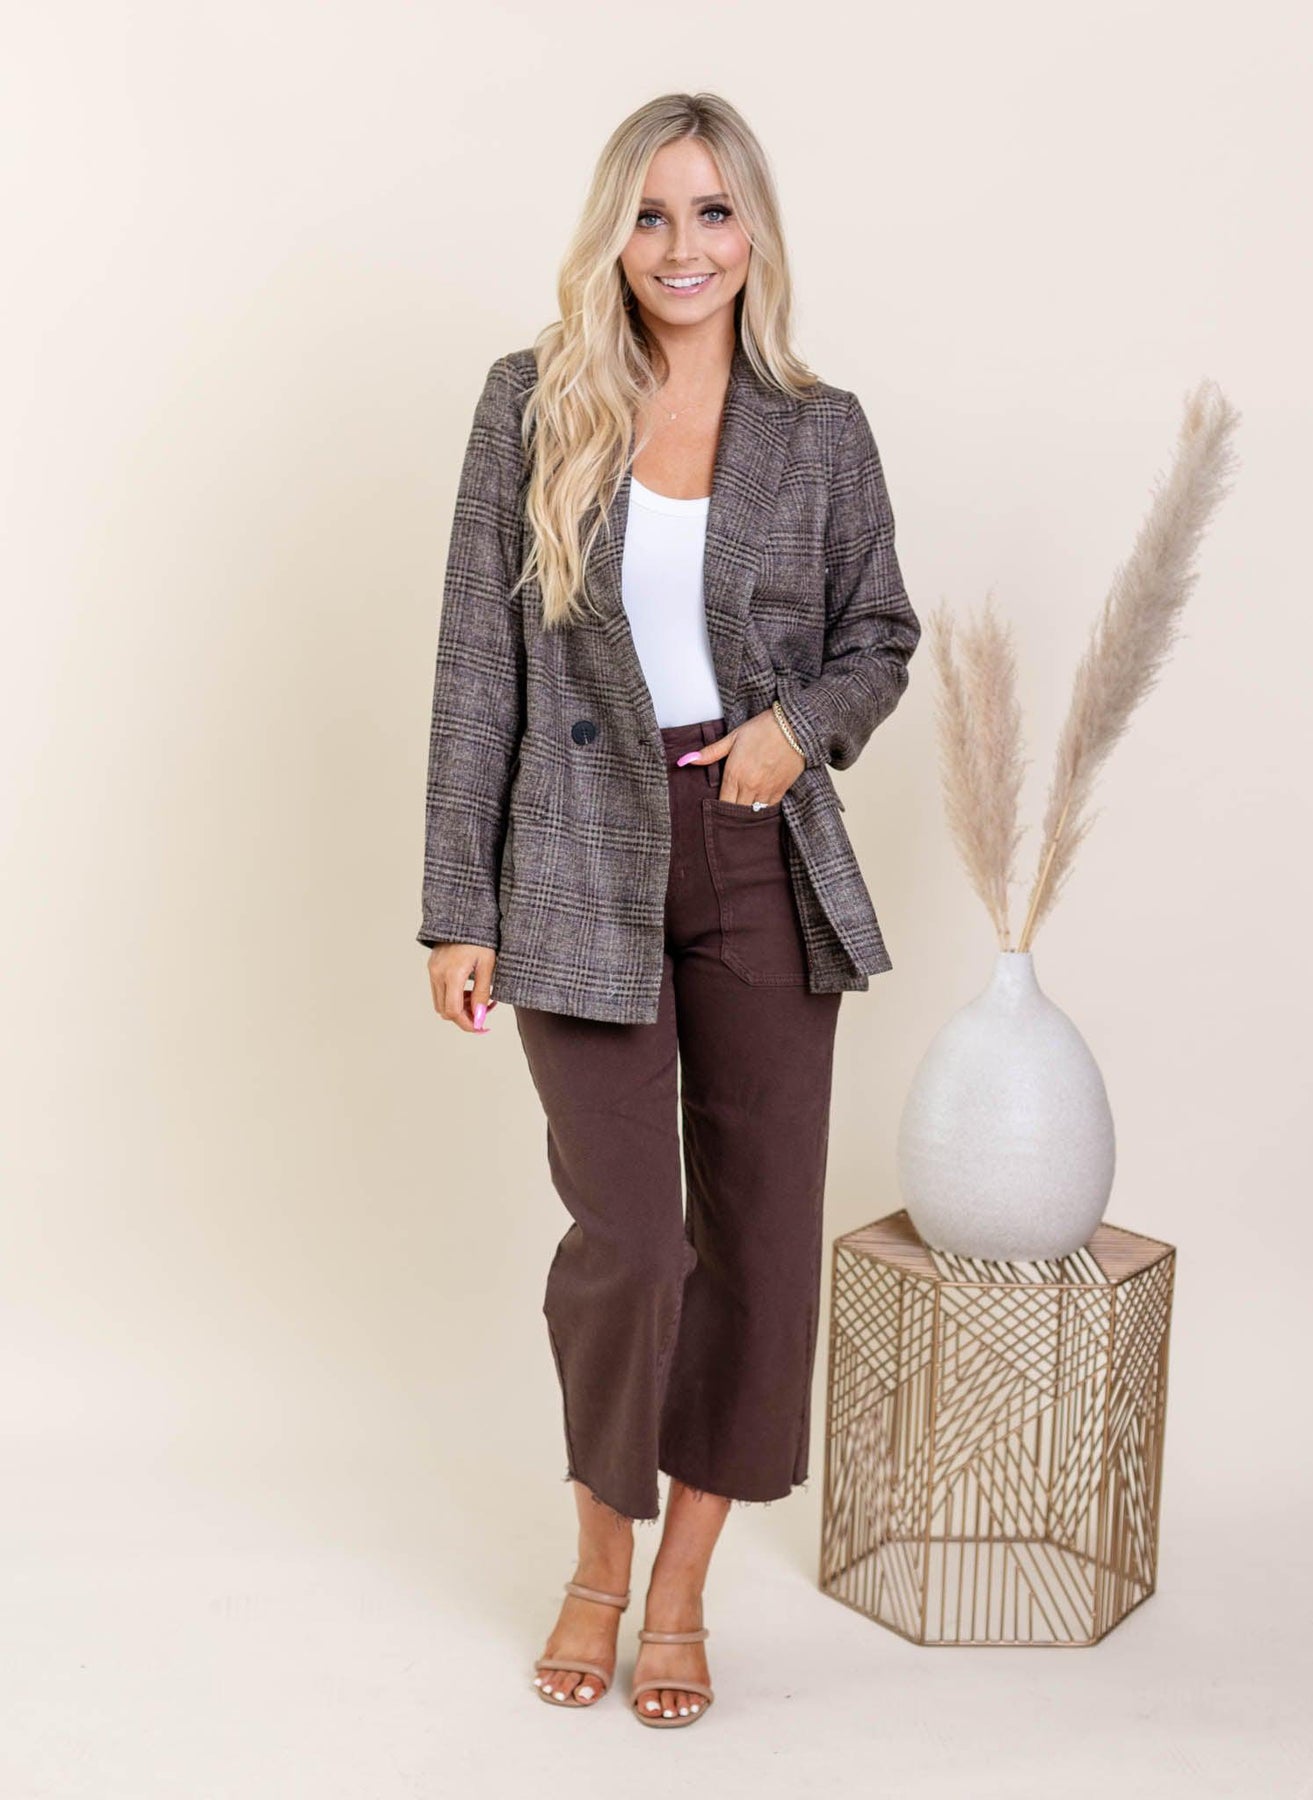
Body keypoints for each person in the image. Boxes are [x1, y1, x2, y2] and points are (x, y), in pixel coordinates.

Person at [417, 92, 921, 1728]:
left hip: (757, 844)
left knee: (758, 1241)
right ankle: (596, 1562)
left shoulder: (819, 428)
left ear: (751, 232)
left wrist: (797, 730)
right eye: (648, 214)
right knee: (632, 1242)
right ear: (610, 233)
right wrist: (456, 905)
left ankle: (685, 1587)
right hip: (576, 849)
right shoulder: (531, 401)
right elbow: (477, 661)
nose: (680, 246)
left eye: (709, 212)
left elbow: (878, 634)